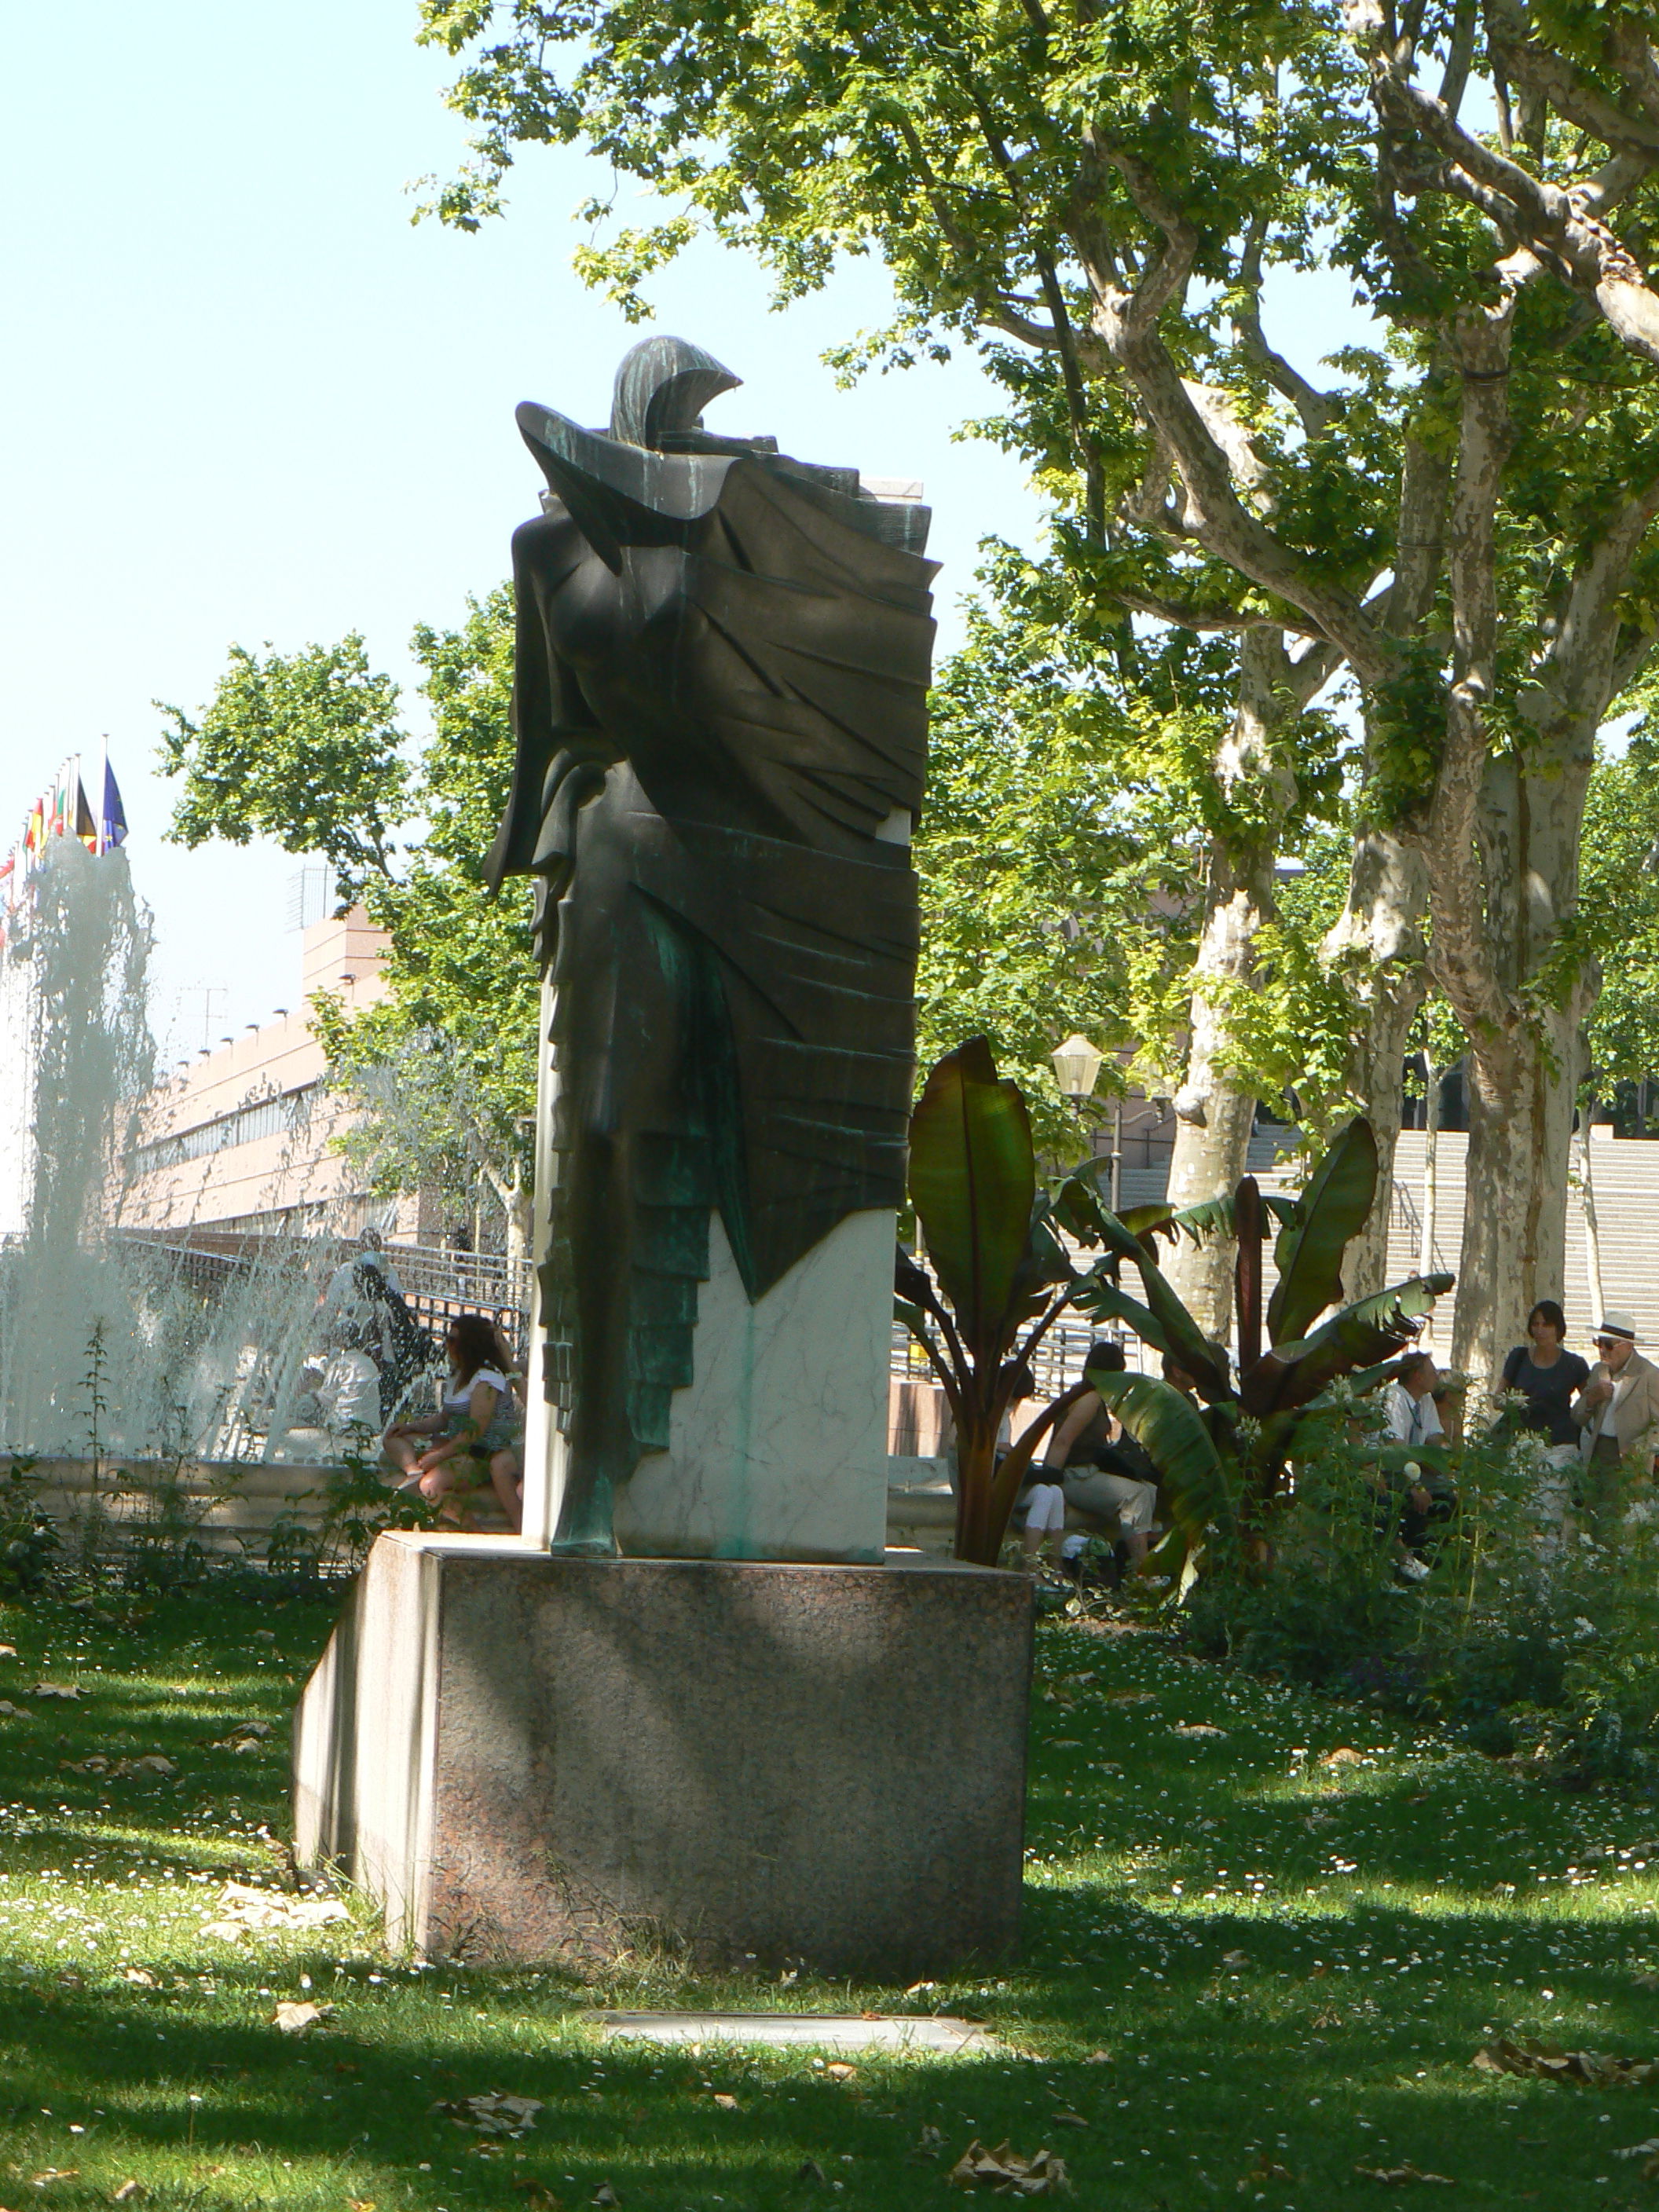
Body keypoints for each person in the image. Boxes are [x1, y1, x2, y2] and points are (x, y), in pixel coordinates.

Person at [383, 1315, 523, 1522]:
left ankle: (473, 1533)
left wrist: (438, 1457)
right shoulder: (458, 1375)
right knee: (393, 1437)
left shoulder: (486, 1379)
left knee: (431, 1486)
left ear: (469, 1345)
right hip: (454, 1445)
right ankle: (414, 1472)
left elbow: (475, 1431)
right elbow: (444, 1418)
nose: (446, 1345)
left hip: (481, 1454)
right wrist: (410, 1427)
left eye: (451, 1340)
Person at [1038, 1341, 1159, 1570]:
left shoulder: (1096, 1397)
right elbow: (1063, 1441)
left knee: (1149, 1489)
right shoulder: (1089, 1398)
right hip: (1074, 1475)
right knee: (1137, 1495)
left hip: (1090, 1471)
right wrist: (1049, 1483)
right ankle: (1142, 1569)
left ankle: (1125, 1555)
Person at [1570, 1312, 1659, 1529]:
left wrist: (1643, 1446)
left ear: (1627, 1345)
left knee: (1622, 1524)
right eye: (1598, 1343)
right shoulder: (1598, 1370)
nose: (1602, 1350)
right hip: (1597, 1451)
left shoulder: (1648, 1374)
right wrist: (1592, 1398)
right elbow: (1576, 1416)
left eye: (1608, 1345)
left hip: (1630, 1459)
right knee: (1593, 1519)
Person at [1379, 1350, 1456, 1579]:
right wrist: (1417, 1486)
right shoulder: (1394, 1398)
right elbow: (1397, 1447)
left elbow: (1434, 1437)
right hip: (1392, 1470)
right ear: (1417, 1377)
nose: (1436, 1378)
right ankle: (1406, 1565)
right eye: (1432, 1373)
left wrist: (1449, 1459)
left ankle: (1438, 1564)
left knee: (1448, 1497)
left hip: (1418, 1467)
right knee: (1416, 1498)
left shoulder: (1426, 1401)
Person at [1500, 1300, 1590, 1459]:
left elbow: (1588, 1403)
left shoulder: (1574, 1364)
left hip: (1560, 1445)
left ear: (1558, 1328)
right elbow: (1497, 1398)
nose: (1540, 1330)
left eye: (1546, 1325)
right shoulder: (1518, 1357)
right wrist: (1514, 1402)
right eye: (1536, 1324)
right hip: (1522, 1443)